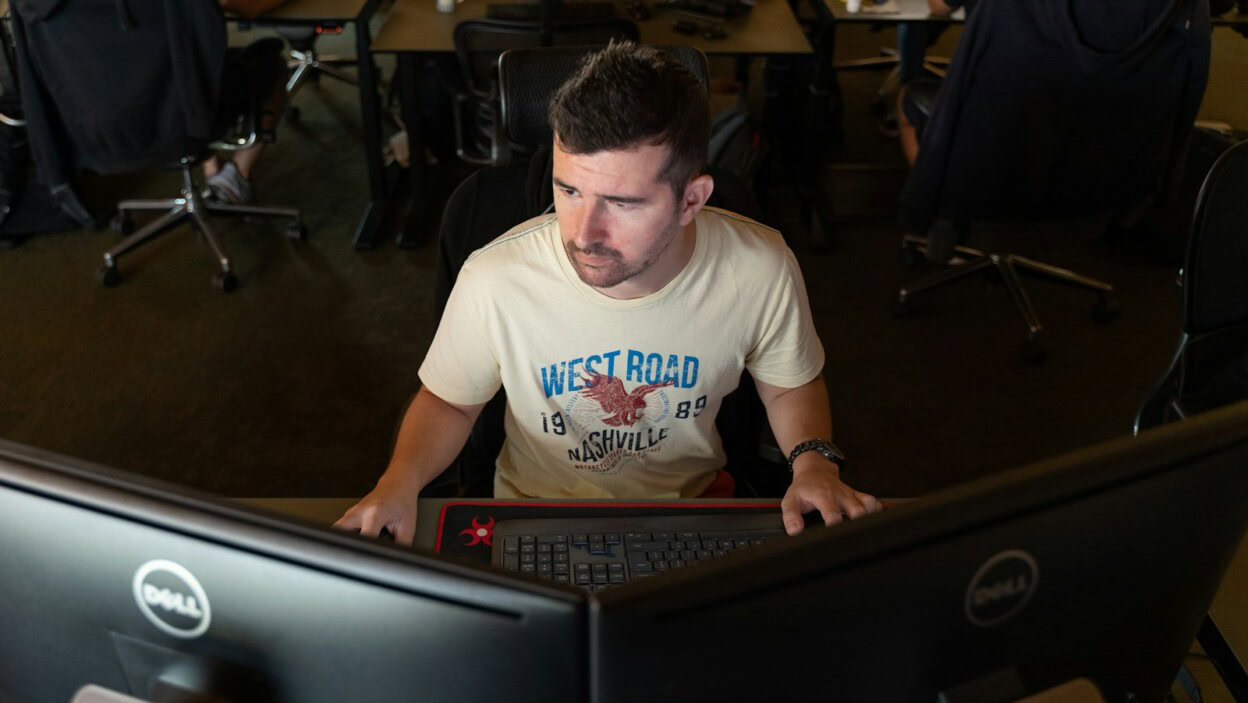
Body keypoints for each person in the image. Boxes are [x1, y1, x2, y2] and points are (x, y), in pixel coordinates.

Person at [335, 41, 882, 545]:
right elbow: (449, 401)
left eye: (622, 202)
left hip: (694, 515)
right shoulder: (496, 276)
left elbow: (789, 386)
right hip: (531, 517)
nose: (582, 232)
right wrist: (398, 483)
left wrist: (814, 463)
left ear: (692, 199)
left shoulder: (760, 267)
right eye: (568, 189)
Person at [207, 0, 294, 204]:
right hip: (195, 97)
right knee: (273, 67)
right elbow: (246, 7)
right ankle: (235, 177)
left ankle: (211, 169)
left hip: (134, 112)